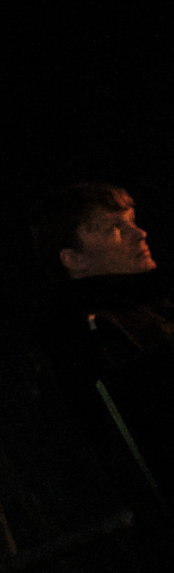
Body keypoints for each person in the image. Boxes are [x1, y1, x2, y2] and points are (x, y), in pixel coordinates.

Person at [31, 180, 174, 509]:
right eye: (114, 228)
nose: (140, 234)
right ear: (73, 259)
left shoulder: (154, 305)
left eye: (132, 222)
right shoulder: (83, 335)